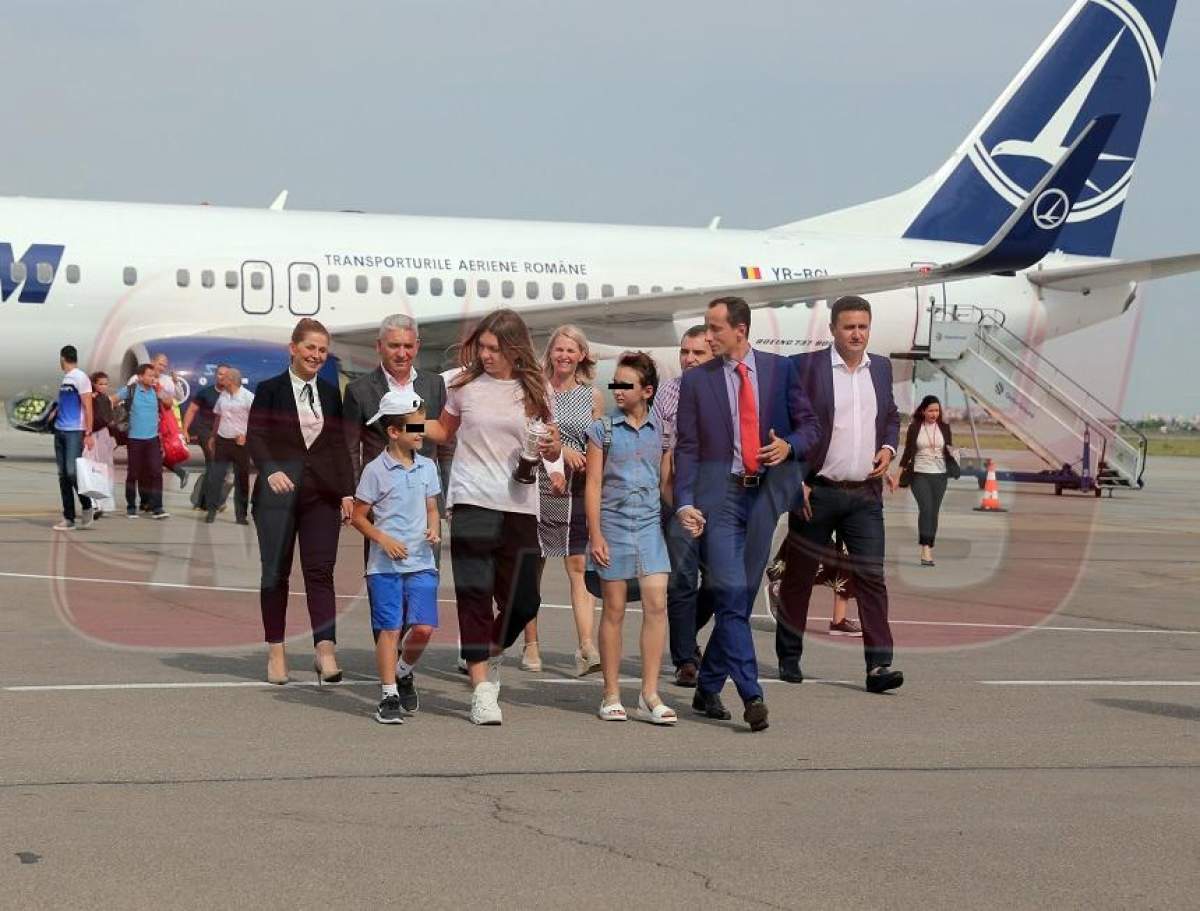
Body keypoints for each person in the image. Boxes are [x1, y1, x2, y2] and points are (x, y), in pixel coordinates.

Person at [674, 297, 817, 732]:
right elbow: (687, 448)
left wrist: (789, 445)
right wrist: (684, 501)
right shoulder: (698, 381)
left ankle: (708, 685)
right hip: (722, 500)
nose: (708, 335)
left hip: (763, 499)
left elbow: (810, 427)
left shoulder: (779, 369)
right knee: (732, 596)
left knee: (739, 596)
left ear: (740, 329)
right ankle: (752, 694)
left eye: (714, 328)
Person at [421, 308, 563, 726]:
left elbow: (550, 449)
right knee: (475, 593)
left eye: (494, 348)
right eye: (481, 346)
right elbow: (444, 432)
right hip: (470, 500)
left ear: (514, 350)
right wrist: (403, 419)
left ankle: (491, 650)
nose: (485, 355)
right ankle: (482, 689)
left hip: (519, 503)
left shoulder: (535, 391)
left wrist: (554, 448)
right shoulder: (463, 385)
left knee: (524, 601)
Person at [775, 295, 904, 694]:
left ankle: (879, 666)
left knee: (871, 578)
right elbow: (786, 423)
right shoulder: (806, 367)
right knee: (798, 577)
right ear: (832, 329)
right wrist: (795, 476)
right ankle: (789, 656)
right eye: (849, 326)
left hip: (864, 495)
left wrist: (888, 448)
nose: (857, 333)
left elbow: (891, 416)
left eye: (863, 326)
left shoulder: (880, 368)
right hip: (818, 492)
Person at [246, 318, 355, 686]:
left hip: (321, 496)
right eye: (310, 348)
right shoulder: (269, 390)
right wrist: (270, 469)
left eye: (323, 350)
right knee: (275, 574)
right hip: (276, 498)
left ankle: (325, 648)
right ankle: (276, 650)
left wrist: (346, 491)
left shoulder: (329, 392)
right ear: (293, 348)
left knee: (320, 572)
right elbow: (256, 437)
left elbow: (340, 446)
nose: (317, 355)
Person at [343, 314, 448, 686]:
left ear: (417, 347)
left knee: (420, 596)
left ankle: (404, 671)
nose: (401, 353)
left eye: (408, 346)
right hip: (380, 502)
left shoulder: (434, 386)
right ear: (379, 348)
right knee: (386, 597)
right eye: (394, 346)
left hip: (422, 497)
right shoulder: (359, 390)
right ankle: (391, 679)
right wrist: (349, 492)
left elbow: (441, 438)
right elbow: (349, 446)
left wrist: (441, 495)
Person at [587, 351, 676, 724]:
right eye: (616, 384)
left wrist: (687, 511)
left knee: (656, 603)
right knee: (615, 608)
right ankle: (610, 694)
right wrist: (595, 535)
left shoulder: (663, 432)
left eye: (626, 385)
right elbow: (592, 485)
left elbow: (667, 483)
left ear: (647, 390)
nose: (618, 390)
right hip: (613, 527)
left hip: (650, 527)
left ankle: (649, 694)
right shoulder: (602, 430)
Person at [351, 392, 441, 724]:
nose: (421, 432)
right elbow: (359, 516)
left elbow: (432, 508)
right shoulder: (376, 471)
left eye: (422, 425)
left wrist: (434, 530)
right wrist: (383, 539)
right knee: (389, 629)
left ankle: (404, 671)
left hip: (421, 562)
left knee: (424, 628)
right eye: (414, 427)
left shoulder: (428, 467)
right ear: (393, 432)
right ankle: (389, 695)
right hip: (384, 566)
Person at [522, 325, 604, 676]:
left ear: (582, 355)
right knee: (534, 565)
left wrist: (586, 458)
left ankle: (586, 646)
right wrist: (562, 451)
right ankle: (531, 645)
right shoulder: (536, 390)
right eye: (559, 350)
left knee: (576, 566)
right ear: (550, 353)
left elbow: (598, 442)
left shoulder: (594, 396)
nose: (565, 356)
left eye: (572, 351)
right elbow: (528, 434)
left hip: (576, 489)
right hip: (538, 484)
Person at [655, 324, 716, 687]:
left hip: (719, 498)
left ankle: (684, 629)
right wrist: (670, 502)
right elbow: (662, 450)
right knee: (681, 580)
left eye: (698, 353)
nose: (689, 359)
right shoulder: (667, 392)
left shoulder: (727, 392)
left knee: (718, 580)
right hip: (679, 497)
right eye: (684, 352)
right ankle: (685, 659)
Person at [890, 394, 956, 567]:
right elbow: (906, 455)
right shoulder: (915, 428)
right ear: (923, 411)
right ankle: (925, 548)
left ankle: (930, 545)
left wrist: (957, 457)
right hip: (919, 474)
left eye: (937, 410)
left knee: (933, 512)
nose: (934, 414)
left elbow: (949, 450)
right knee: (926, 509)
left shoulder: (945, 427)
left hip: (940, 475)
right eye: (931, 410)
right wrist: (897, 477)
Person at [116, 363, 173, 520]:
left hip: (152, 439)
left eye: (154, 376)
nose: (153, 378)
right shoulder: (131, 390)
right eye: (149, 375)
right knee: (133, 473)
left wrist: (160, 391)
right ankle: (131, 506)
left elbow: (169, 403)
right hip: (135, 439)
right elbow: (112, 400)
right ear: (140, 377)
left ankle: (158, 507)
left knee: (156, 472)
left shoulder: (156, 391)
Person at [52, 345, 96, 531]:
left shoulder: (80, 377)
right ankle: (68, 517)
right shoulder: (66, 379)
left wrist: (88, 432)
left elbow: (88, 405)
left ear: (62, 359)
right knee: (63, 476)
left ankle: (87, 505)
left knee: (72, 472)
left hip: (74, 432)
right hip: (60, 430)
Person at [205, 367, 254, 525]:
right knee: (215, 477)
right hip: (222, 441)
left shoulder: (248, 397)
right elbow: (218, 417)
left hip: (240, 444)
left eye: (224, 377)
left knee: (241, 480)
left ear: (232, 380)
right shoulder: (223, 396)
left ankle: (241, 516)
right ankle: (211, 511)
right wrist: (213, 436)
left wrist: (247, 436)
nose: (221, 380)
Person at [182, 365, 229, 512]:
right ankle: (211, 502)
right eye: (220, 374)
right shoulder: (206, 393)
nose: (222, 377)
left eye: (226, 375)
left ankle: (201, 500)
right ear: (216, 375)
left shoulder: (233, 394)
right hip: (206, 432)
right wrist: (185, 430)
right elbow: (191, 410)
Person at [88, 372, 118, 518]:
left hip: (104, 435)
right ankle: (94, 502)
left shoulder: (106, 399)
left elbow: (109, 418)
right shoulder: (91, 399)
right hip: (94, 434)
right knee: (92, 468)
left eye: (106, 384)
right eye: (100, 384)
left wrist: (113, 435)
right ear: (93, 384)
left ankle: (105, 503)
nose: (103, 386)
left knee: (106, 469)